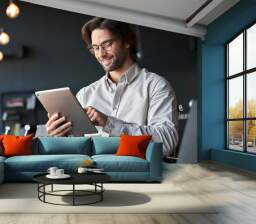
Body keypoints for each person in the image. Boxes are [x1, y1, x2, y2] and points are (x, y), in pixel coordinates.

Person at [45, 17, 179, 157]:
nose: (101, 54)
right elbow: (75, 152)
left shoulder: (156, 86)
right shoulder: (85, 95)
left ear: (127, 41)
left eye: (107, 44)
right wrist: (59, 136)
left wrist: (109, 124)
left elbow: (167, 142)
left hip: (136, 177)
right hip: (89, 176)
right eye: (96, 48)